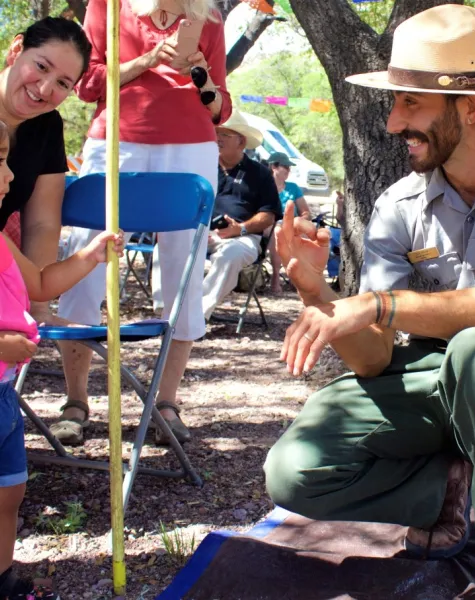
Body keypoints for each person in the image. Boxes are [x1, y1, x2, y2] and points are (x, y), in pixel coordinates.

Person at [265, 6, 475, 599]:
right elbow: (371, 360)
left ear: (469, 107)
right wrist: (318, 290)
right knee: (293, 473)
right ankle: (452, 486)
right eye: (395, 103)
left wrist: (379, 305)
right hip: (426, 380)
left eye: (410, 103)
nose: (393, 123)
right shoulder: (399, 203)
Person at [53, 0, 232, 446]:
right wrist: (152, 58)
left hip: (192, 149)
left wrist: (200, 75)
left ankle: (165, 402)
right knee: (86, 263)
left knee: (183, 272)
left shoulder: (208, 17)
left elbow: (220, 108)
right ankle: (76, 401)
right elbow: (90, 84)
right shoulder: (107, 8)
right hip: (117, 140)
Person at [0, 120, 124, 600]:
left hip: (5, 398)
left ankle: (4, 577)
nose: (11, 175)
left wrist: (89, 258)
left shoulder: (1, 242)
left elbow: (41, 285)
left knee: (9, 493)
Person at [0, 17, 91, 312]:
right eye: (41, 66)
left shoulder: (48, 127)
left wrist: (34, 308)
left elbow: (42, 223)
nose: (44, 88)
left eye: (63, 83)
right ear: (16, 49)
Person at [202, 110, 281, 319]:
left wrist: (240, 228)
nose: (218, 138)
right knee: (164, 248)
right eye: (216, 133)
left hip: (243, 237)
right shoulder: (204, 167)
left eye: (225, 135)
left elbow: (269, 215)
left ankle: (196, 314)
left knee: (230, 254)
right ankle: (166, 312)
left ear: (241, 142)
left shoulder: (260, 173)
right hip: (201, 233)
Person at [267, 151, 311, 293]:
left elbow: (305, 212)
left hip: (292, 225)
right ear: (274, 167)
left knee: (299, 234)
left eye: (289, 167)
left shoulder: (293, 188)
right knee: (276, 232)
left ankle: (295, 278)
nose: (289, 170)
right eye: (285, 167)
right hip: (272, 225)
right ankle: (275, 278)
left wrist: (298, 220)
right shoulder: (264, 187)